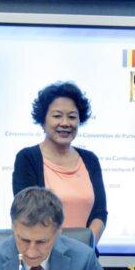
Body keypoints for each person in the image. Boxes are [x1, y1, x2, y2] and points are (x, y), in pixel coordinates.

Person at [13, 82, 107, 245]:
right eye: (57, 116)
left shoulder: (90, 160)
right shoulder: (27, 158)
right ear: (42, 122)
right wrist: (62, 251)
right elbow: (28, 214)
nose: (65, 123)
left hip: (85, 254)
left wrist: (83, 249)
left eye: (72, 117)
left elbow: (100, 213)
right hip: (43, 254)